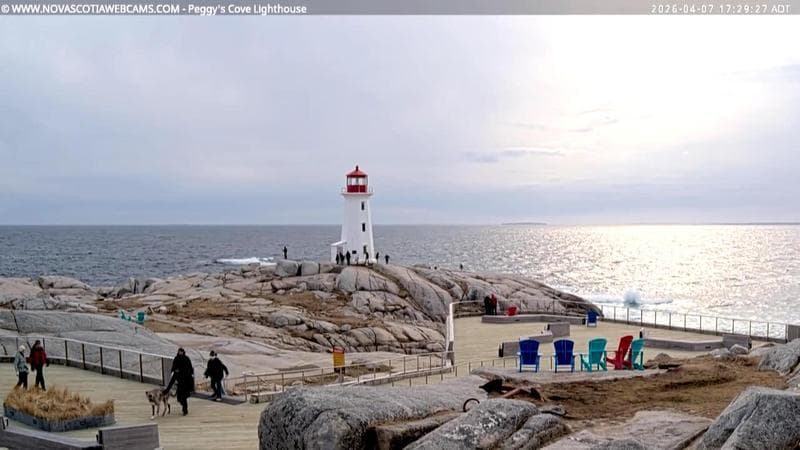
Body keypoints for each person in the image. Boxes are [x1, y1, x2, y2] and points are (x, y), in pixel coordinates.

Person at [164, 348, 194, 415]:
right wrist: (167, 390)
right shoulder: (176, 359)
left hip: (185, 383)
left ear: (183, 352)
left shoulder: (186, 359)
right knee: (180, 399)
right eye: (179, 352)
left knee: (183, 397)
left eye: (181, 352)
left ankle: (185, 410)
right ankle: (184, 407)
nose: (180, 353)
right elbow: (172, 380)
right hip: (180, 384)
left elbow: (190, 368)